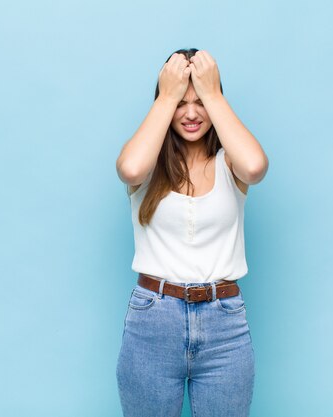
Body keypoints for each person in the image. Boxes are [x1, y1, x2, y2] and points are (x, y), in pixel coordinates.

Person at [114, 48, 269, 417]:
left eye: (200, 102)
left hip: (224, 323)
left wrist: (213, 93)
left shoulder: (228, 162)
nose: (191, 113)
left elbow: (256, 166)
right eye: (180, 103)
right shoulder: (148, 162)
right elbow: (131, 170)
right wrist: (167, 95)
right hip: (153, 318)